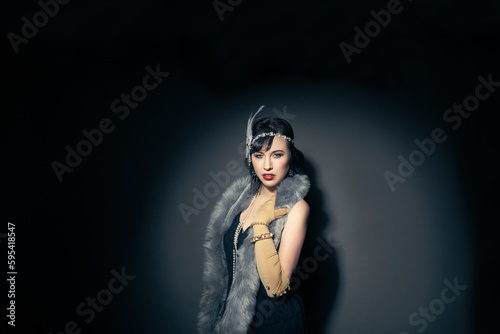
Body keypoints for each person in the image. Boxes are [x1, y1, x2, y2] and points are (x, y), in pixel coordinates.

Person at [198, 106, 311, 334]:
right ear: (250, 158)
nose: (267, 165)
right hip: (235, 323)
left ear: (290, 157)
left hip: (278, 322)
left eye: (276, 155)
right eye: (259, 155)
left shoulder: (297, 208)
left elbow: (277, 288)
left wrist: (261, 223)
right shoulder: (239, 200)